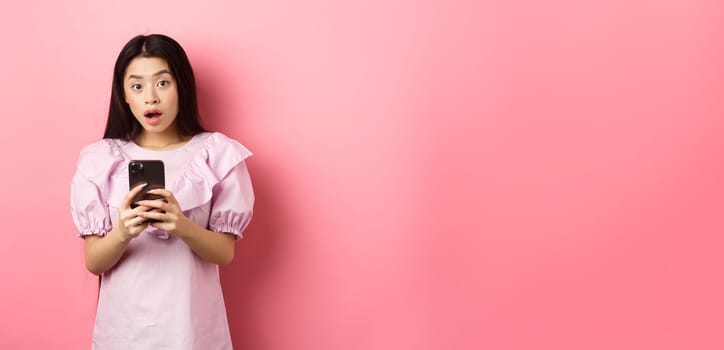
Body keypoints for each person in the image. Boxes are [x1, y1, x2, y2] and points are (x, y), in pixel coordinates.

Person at [70, 34, 254, 349]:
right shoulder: (99, 160)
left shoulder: (216, 153)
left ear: (182, 86)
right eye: (137, 86)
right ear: (124, 95)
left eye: (163, 83)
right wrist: (123, 232)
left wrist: (181, 225)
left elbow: (224, 253)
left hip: (191, 329)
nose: (150, 98)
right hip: (123, 330)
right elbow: (94, 262)